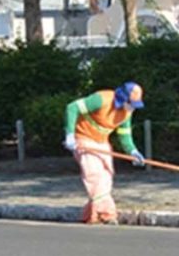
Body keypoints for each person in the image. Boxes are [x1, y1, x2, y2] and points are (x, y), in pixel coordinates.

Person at [62, 82, 146, 225]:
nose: (132, 107)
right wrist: (70, 134)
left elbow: (124, 134)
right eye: (131, 103)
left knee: (106, 176)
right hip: (83, 139)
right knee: (94, 174)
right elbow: (72, 107)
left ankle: (91, 214)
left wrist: (132, 150)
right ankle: (107, 214)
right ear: (122, 98)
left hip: (102, 143)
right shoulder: (101, 99)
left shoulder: (127, 112)